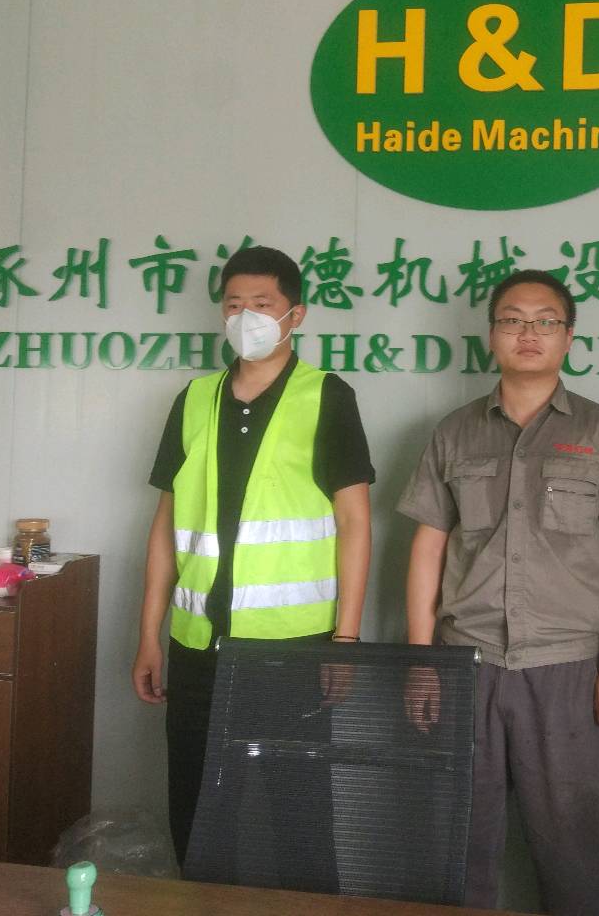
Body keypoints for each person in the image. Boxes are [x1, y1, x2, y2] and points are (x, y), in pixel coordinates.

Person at [398, 269, 599, 916]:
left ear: (568, 337)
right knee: (460, 857)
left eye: (546, 321)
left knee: (572, 861)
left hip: (567, 670)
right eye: (513, 320)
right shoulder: (454, 432)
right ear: (491, 335)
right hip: (467, 665)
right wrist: (423, 661)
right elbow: (428, 546)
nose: (528, 333)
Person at [130, 245, 374, 873]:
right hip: (196, 645)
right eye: (234, 305)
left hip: (293, 649)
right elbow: (165, 525)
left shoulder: (327, 396)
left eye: (262, 305)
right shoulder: (194, 398)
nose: (247, 318)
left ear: (297, 315)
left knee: (299, 813)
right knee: (197, 813)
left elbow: (355, 523)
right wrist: (149, 635)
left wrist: (345, 640)